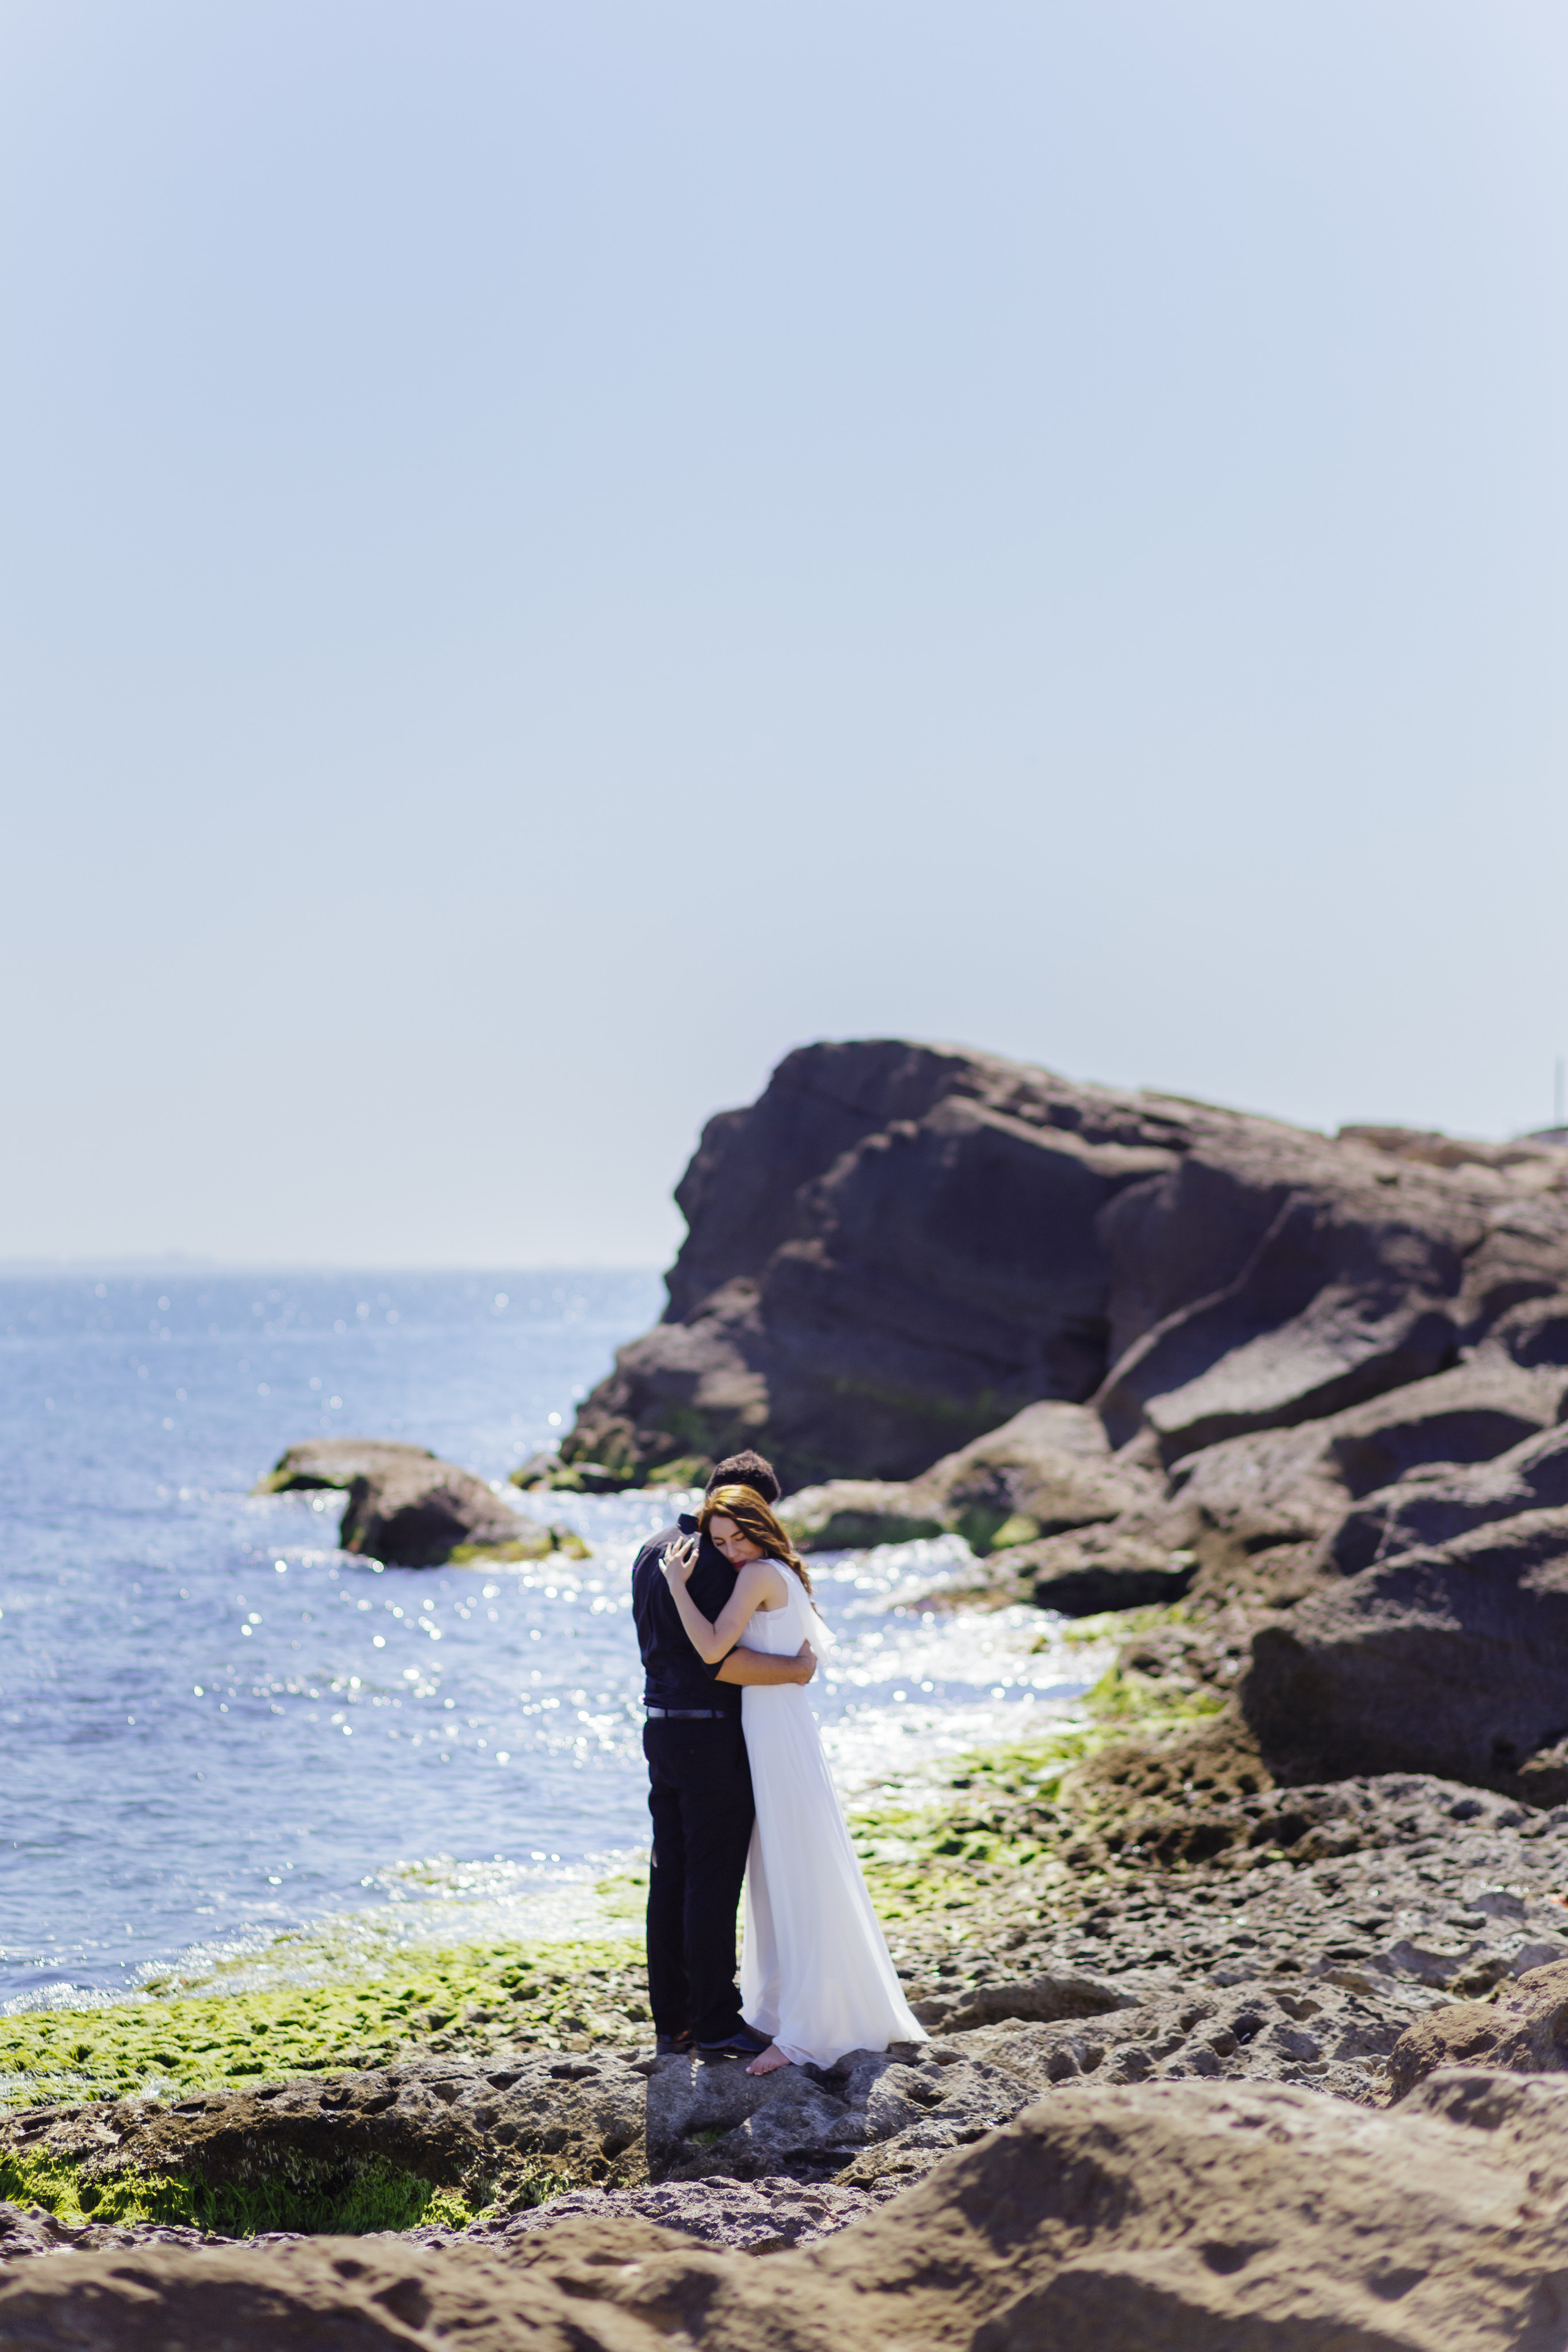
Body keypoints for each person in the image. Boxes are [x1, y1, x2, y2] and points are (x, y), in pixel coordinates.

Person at [661, 1483, 927, 2076]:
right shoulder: (780, 1569)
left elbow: (710, 1651)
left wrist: (678, 1586)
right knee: (786, 1867)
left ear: (761, 1527)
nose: (730, 1551)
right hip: (778, 1726)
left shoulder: (757, 1574)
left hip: (775, 1732)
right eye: (720, 1542)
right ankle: (791, 2011)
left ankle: (804, 2029)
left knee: (792, 1868)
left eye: (739, 1537)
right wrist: (798, 1670)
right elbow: (797, 1661)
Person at [630, 1452, 816, 2060]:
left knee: (671, 1877)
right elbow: (720, 1659)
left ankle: (672, 2025)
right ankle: (713, 2024)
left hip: (658, 1728)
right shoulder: (720, 1563)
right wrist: (793, 1670)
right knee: (712, 1883)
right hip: (710, 1735)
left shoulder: (649, 1550)